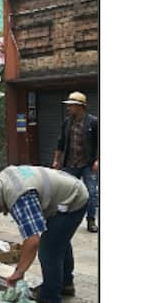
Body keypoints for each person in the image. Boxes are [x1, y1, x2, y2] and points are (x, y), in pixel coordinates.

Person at [0, 165, 88, 303]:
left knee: (48, 249)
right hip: (64, 192)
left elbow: (32, 240)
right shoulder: (2, 181)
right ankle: (65, 284)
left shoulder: (18, 197)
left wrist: (19, 271)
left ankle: (51, 299)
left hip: (73, 199)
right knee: (58, 239)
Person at [52, 92, 99, 233]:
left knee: (91, 193)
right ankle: (64, 218)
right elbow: (60, 142)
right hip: (70, 163)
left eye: (71, 105)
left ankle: (91, 220)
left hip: (88, 163)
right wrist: (56, 160)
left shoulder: (93, 122)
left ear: (80, 106)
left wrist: (98, 160)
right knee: (66, 191)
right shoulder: (67, 122)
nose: (69, 108)